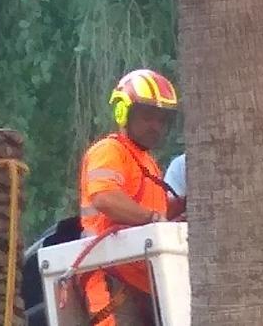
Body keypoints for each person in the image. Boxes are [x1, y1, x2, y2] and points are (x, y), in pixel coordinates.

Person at [79, 69, 185, 326]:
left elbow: (154, 210)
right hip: (111, 278)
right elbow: (105, 198)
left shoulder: (147, 161)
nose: (156, 126)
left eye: (162, 120)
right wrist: (153, 217)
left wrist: (186, 204)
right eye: (148, 117)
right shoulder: (109, 151)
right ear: (123, 112)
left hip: (143, 281)